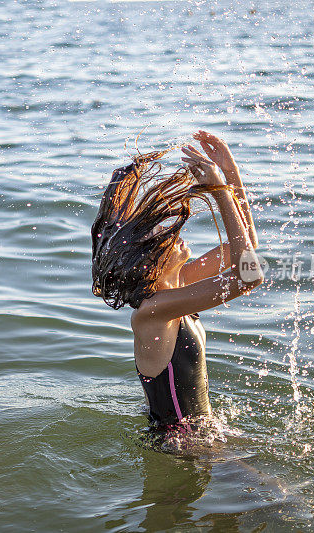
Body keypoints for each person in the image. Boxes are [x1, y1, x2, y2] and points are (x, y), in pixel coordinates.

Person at [91, 130, 262, 446]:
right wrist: (219, 192)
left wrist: (229, 172)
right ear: (151, 262)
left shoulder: (177, 287)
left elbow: (248, 251)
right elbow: (248, 277)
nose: (173, 235)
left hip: (201, 437)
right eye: (162, 238)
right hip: (182, 447)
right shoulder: (154, 312)